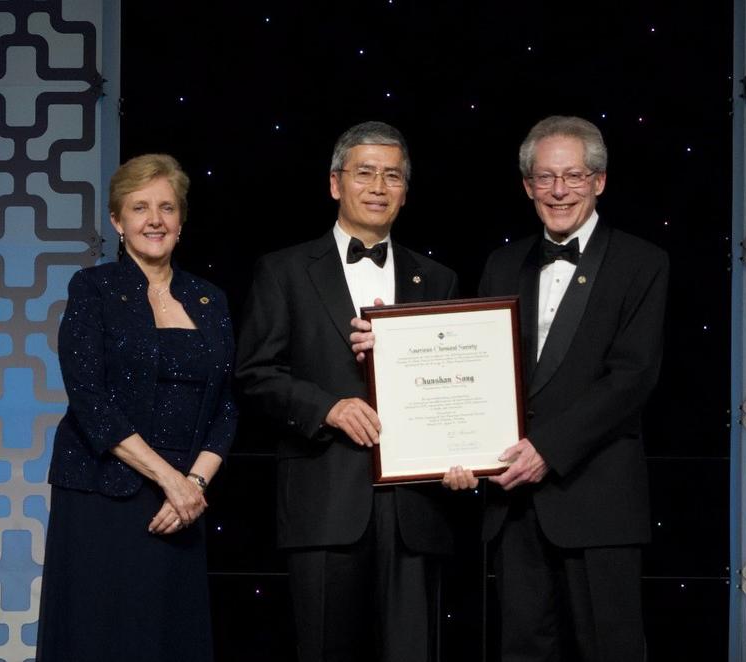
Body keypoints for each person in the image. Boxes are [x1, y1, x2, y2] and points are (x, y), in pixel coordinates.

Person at [446, 116, 669, 661]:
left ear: (599, 181)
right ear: (527, 186)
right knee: (522, 649)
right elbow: (475, 368)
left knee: (611, 649)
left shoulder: (643, 263)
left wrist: (548, 449)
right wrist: (459, 446)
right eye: (545, 178)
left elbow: (632, 376)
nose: (559, 190)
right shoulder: (501, 265)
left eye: (573, 175)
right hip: (513, 500)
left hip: (598, 498)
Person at [235, 121, 458, 662]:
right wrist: (327, 407)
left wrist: (463, 451)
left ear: (406, 190)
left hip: (415, 509)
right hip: (324, 501)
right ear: (336, 183)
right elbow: (253, 374)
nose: (379, 187)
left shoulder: (440, 279)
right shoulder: (284, 270)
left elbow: (456, 380)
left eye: (392, 176)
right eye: (365, 173)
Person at [36, 154, 237, 661]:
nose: (154, 220)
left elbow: (227, 405)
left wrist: (192, 486)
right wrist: (169, 478)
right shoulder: (94, 288)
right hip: (104, 491)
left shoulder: (209, 299)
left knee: (168, 638)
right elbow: (88, 397)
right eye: (139, 207)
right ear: (117, 221)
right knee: (99, 637)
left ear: (181, 221)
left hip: (181, 506)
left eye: (167, 208)